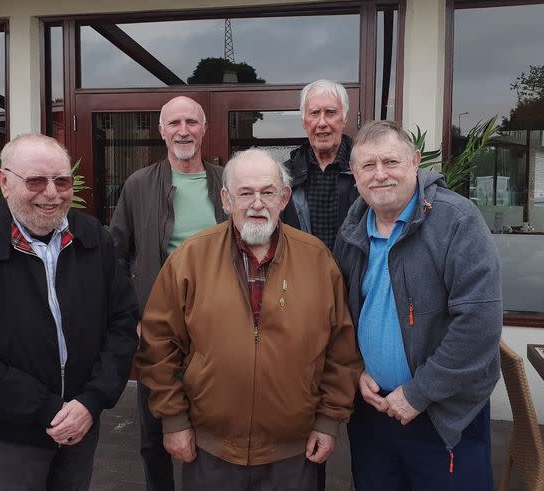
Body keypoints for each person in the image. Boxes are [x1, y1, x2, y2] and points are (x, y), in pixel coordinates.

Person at [135, 148, 362, 491]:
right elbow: (158, 346)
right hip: (210, 452)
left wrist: (329, 421)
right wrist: (174, 420)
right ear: (226, 200)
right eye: (245, 193)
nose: (257, 203)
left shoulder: (318, 260)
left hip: (293, 454)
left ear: (284, 198)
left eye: (268, 192)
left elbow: (341, 351)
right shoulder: (190, 259)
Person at [0, 134, 138, 491]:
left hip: (81, 425)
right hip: (9, 435)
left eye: (62, 181)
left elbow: (122, 324)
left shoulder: (94, 237)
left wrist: (91, 401)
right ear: (4, 181)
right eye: (36, 181)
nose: (52, 193)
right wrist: (49, 410)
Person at [334, 121, 503, 491]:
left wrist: (418, 393)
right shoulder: (353, 226)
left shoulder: (455, 221)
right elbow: (341, 310)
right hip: (374, 410)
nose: (380, 175)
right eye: (367, 166)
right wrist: (355, 367)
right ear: (355, 174)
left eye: (390, 162)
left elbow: (479, 324)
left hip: (443, 414)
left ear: (414, 162)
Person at [109, 95, 226, 491]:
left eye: (191, 122)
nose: (183, 130)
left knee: (216, 420)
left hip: (220, 326)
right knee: (155, 427)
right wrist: (135, 318)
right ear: (161, 131)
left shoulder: (226, 183)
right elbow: (115, 259)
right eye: (174, 123)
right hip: (159, 329)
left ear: (204, 129)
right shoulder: (139, 185)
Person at [282, 79, 360, 250]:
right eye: (314, 113)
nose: (322, 122)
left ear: (344, 118)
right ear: (304, 121)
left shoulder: (365, 170)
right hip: (304, 273)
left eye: (331, 112)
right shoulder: (286, 176)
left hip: (354, 275)